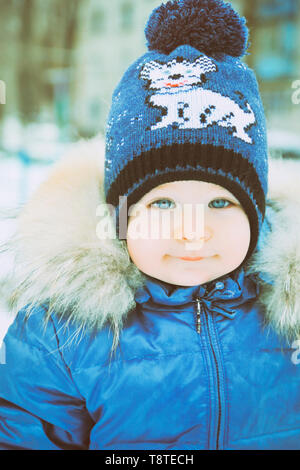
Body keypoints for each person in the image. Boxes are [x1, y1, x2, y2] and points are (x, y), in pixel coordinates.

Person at [0, 0, 300, 450]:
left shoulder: (289, 317)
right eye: (161, 204)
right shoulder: (61, 334)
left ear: (256, 216)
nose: (192, 231)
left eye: (221, 202)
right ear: (120, 216)